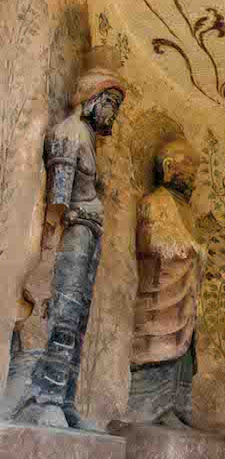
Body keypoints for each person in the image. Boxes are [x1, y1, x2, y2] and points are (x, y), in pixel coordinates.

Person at [15, 48, 125, 429]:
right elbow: (58, 199)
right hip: (70, 238)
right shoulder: (69, 134)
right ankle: (45, 398)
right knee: (63, 317)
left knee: (77, 321)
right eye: (109, 102)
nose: (113, 112)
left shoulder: (87, 139)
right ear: (90, 98)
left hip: (86, 237)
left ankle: (66, 400)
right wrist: (48, 244)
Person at [127, 139, 205, 428]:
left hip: (185, 294)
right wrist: (191, 249)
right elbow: (153, 241)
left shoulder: (186, 209)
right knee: (160, 345)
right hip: (161, 293)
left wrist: (195, 253)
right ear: (169, 167)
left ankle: (178, 405)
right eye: (189, 168)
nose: (194, 176)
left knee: (183, 350)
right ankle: (153, 408)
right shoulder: (155, 201)